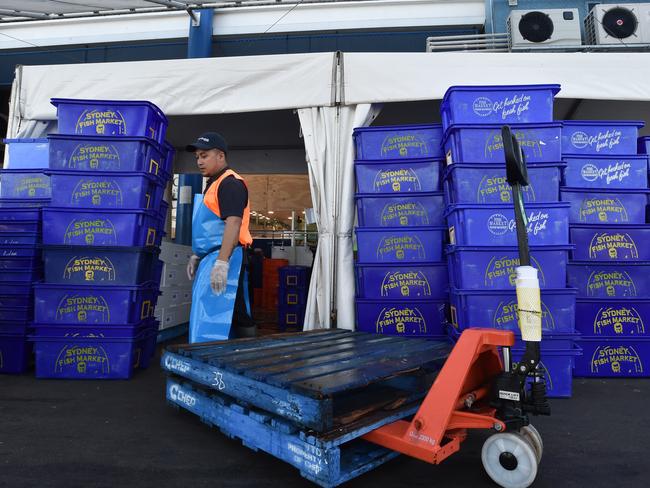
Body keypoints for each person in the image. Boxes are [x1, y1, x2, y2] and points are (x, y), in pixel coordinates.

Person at [185, 132, 256, 342]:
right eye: (197, 156)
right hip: (213, 255)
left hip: (226, 255)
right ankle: (240, 351)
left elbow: (233, 224)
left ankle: (235, 355)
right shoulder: (213, 184)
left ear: (221, 156)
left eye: (204, 155)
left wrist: (222, 262)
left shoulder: (230, 183)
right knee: (232, 308)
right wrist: (197, 254)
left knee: (220, 309)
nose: (199, 161)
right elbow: (210, 225)